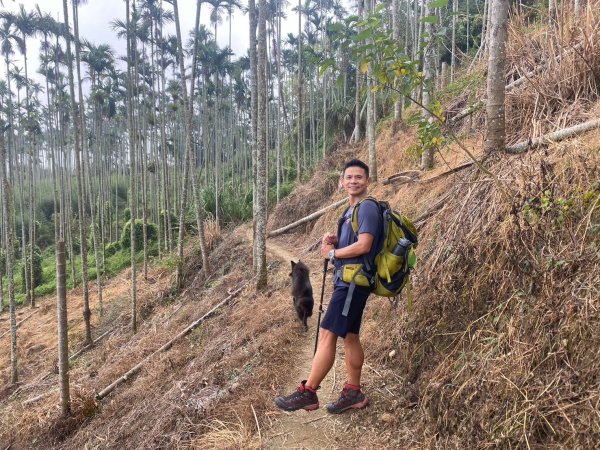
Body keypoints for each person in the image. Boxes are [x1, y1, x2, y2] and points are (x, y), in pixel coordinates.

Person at [274, 159, 383, 414]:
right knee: (351, 336)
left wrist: (333, 255)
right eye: (349, 177)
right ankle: (353, 392)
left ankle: (308, 392)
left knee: (327, 333)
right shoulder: (349, 212)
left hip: (352, 283)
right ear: (341, 182)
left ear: (368, 181)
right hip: (351, 282)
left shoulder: (367, 208)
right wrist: (335, 241)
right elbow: (351, 244)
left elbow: (364, 245)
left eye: (359, 177)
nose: (353, 181)